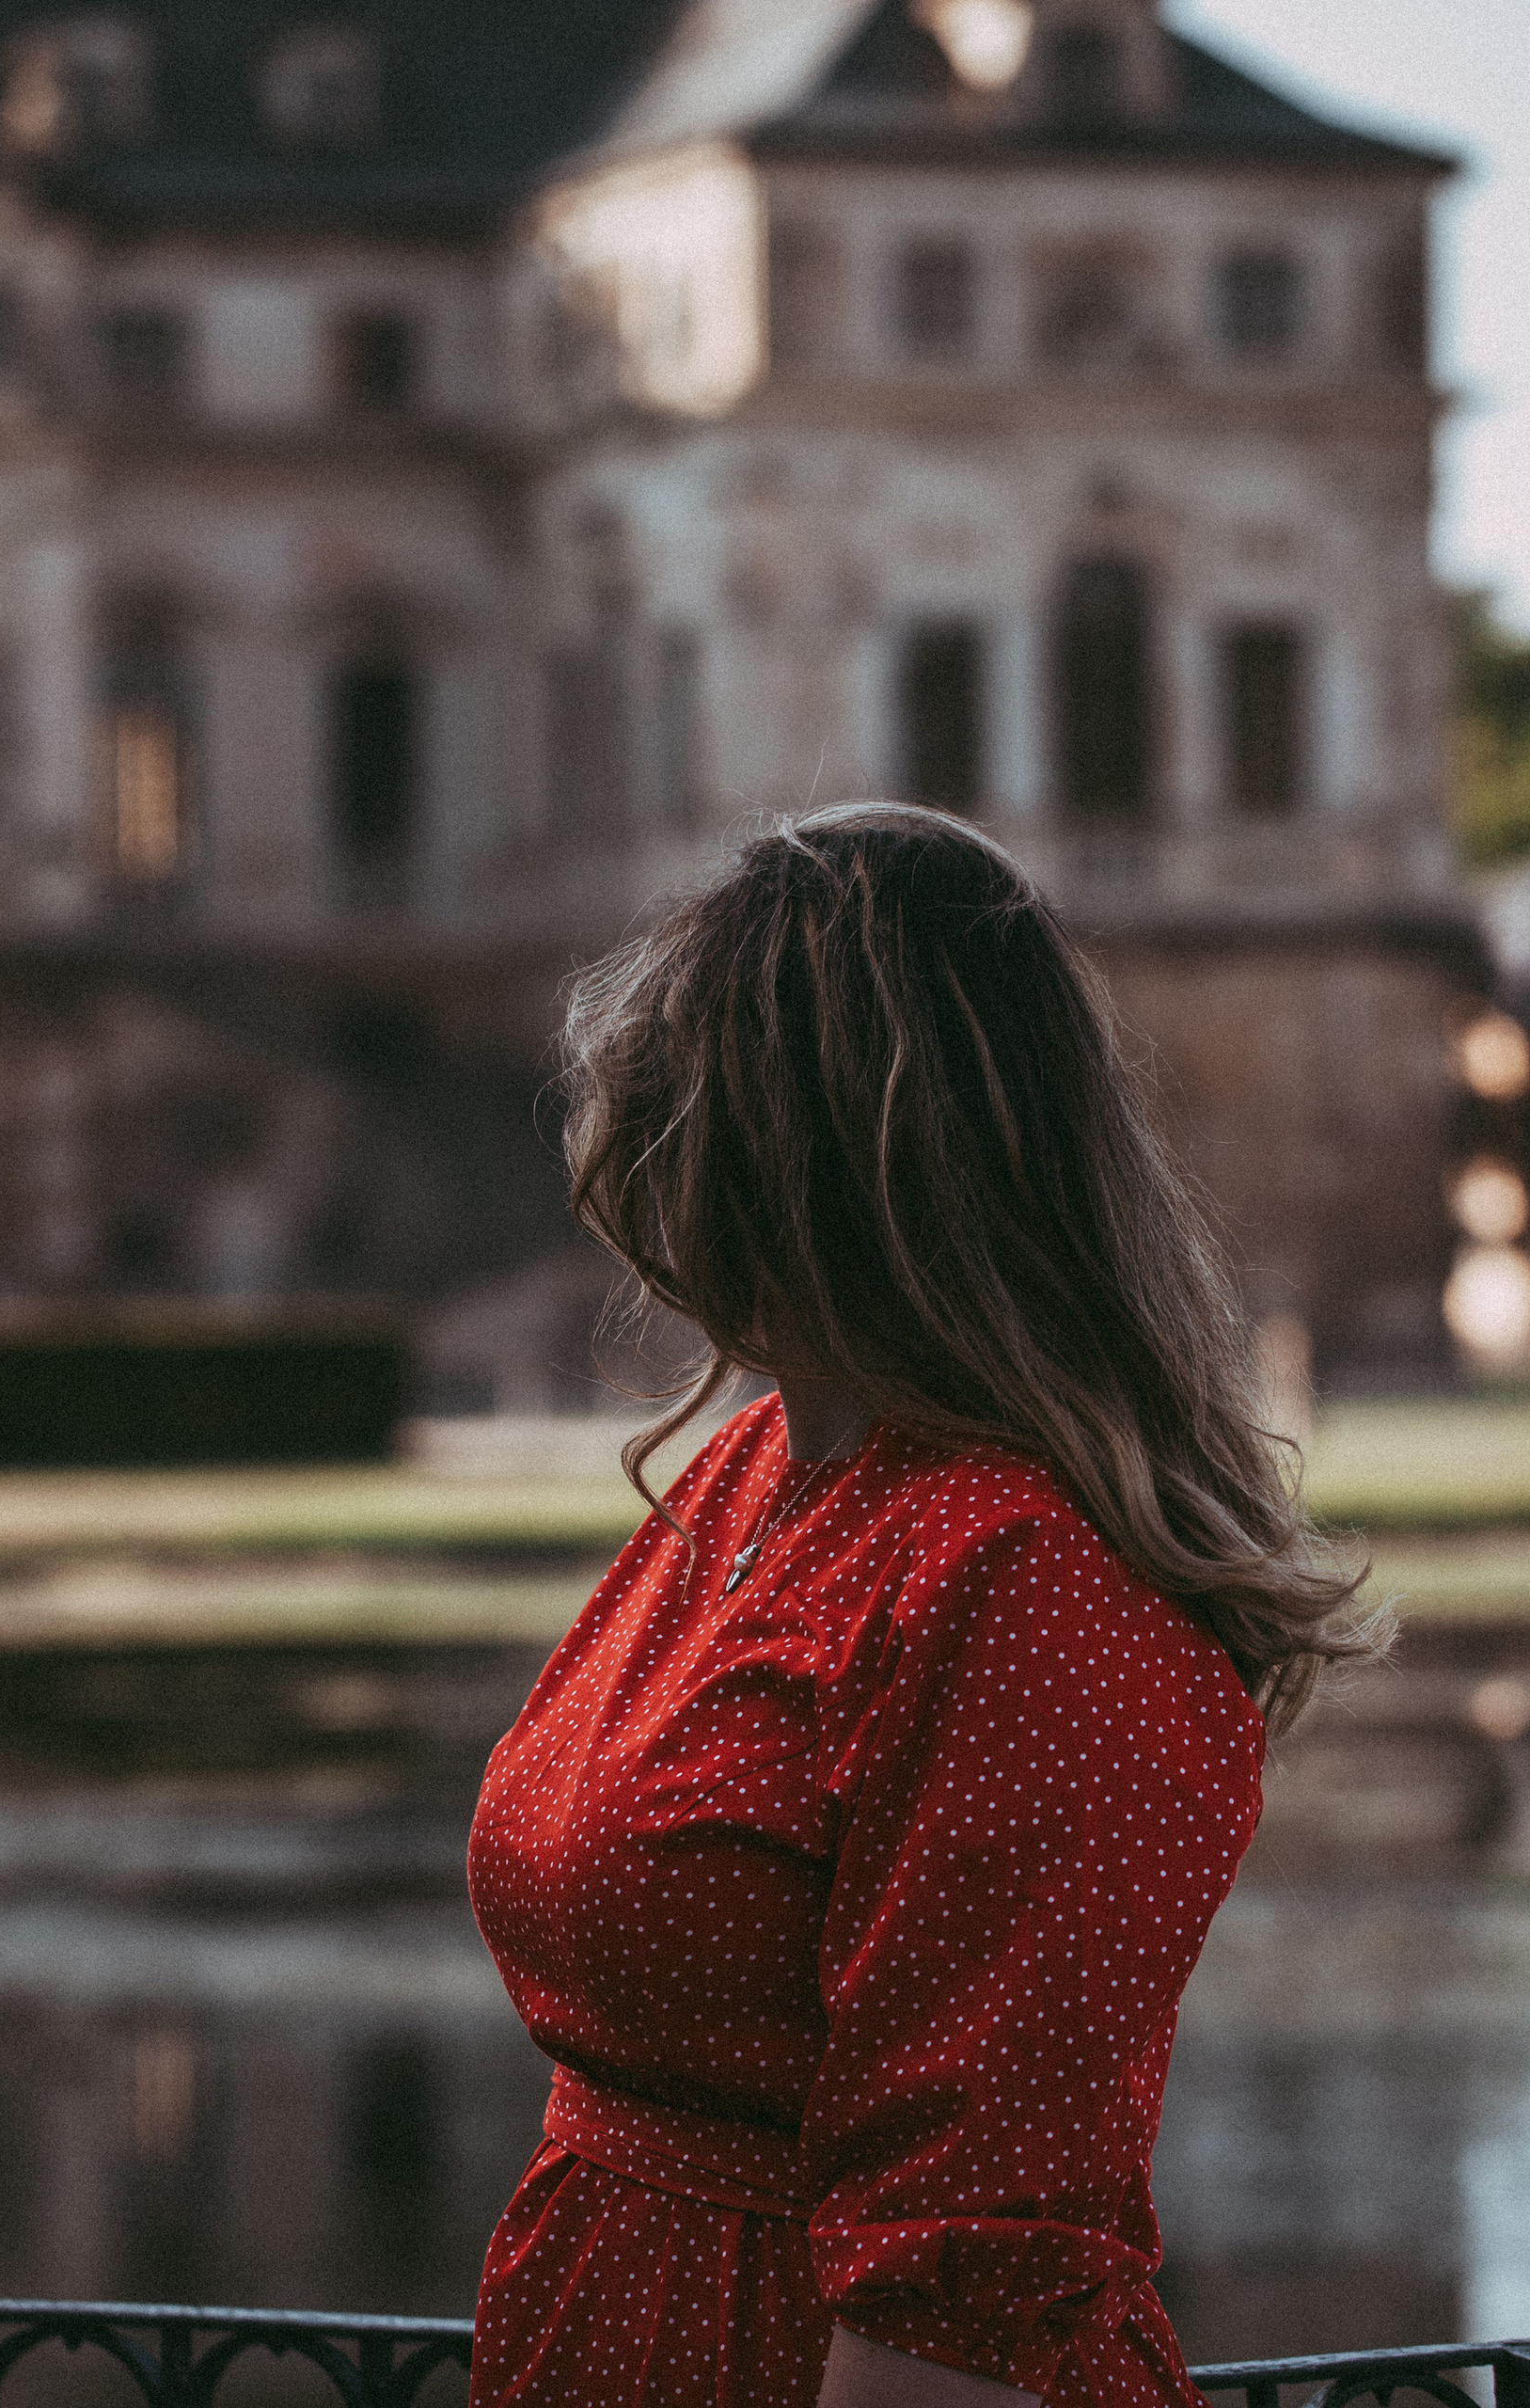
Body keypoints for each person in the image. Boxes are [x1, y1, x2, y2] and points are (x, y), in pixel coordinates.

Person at [465, 805, 1366, 2408]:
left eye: (674, 1108)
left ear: (798, 1152)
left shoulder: (1020, 1585)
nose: (622, 1157)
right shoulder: (758, 1473)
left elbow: (963, 2292)